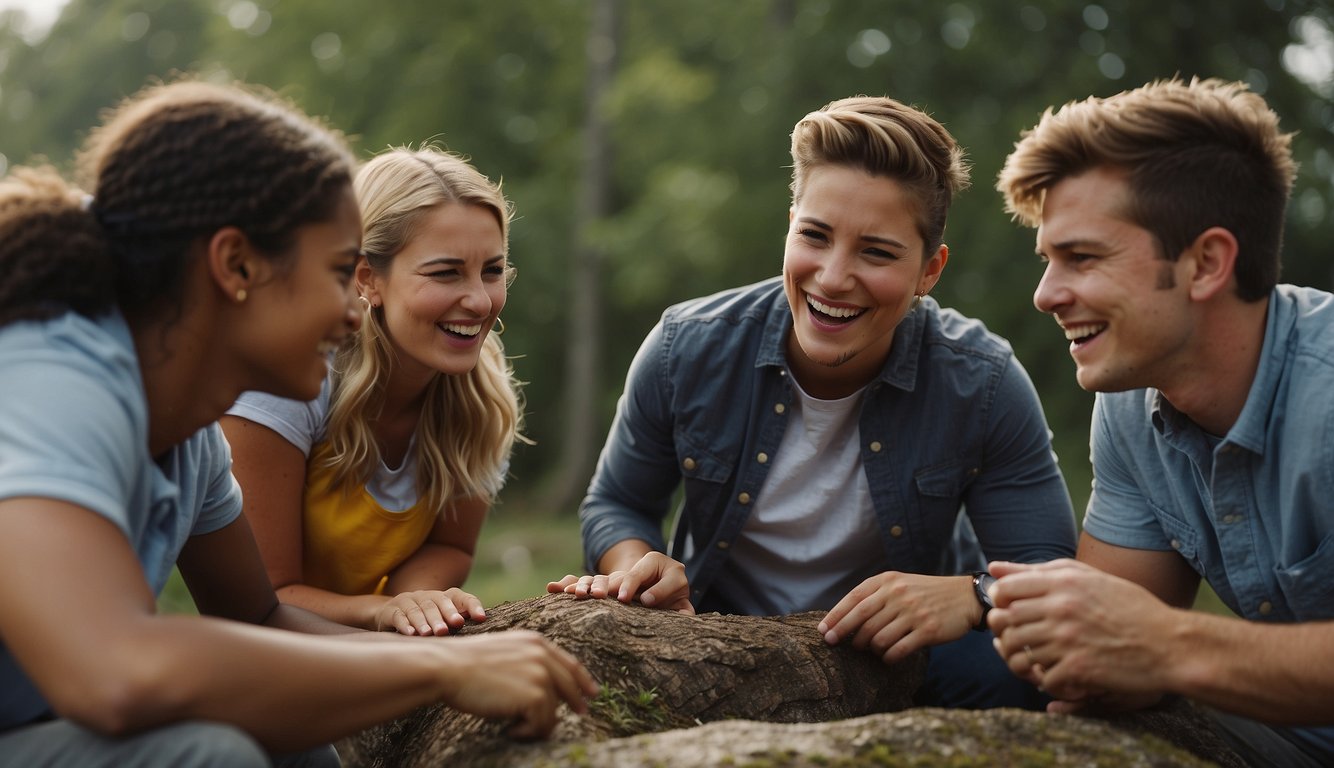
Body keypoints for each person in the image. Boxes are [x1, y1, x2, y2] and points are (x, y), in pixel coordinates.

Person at [0, 80, 595, 768]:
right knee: (207, 754)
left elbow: (260, 617)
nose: (353, 311)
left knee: (288, 734)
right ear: (236, 265)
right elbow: (115, 673)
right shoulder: (54, 375)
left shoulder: (190, 438)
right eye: (342, 272)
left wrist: (465, 657)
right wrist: (440, 674)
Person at [549, 95, 1077, 709]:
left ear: (930, 271)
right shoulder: (683, 348)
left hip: (902, 657)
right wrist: (640, 566)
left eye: (876, 252)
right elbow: (617, 501)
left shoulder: (982, 381)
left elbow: (1044, 568)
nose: (831, 276)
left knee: (1021, 672)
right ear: (790, 225)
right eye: (815, 236)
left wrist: (972, 595)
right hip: (719, 640)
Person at [988, 76, 1334, 767]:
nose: (1046, 294)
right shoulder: (1127, 405)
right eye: (1047, 260)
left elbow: (1145, 643)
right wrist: (1004, 611)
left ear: (1206, 263)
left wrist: (1166, 648)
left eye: (1081, 257)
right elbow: (1102, 649)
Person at [221, 146, 522, 637]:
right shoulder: (284, 380)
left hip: (374, 652)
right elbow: (261, 598)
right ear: (367, 278)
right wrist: (381, 612)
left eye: (492, 270)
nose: (479, 300)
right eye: (446, 272)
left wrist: (414, 602)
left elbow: (452, 548)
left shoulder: (483, 387)